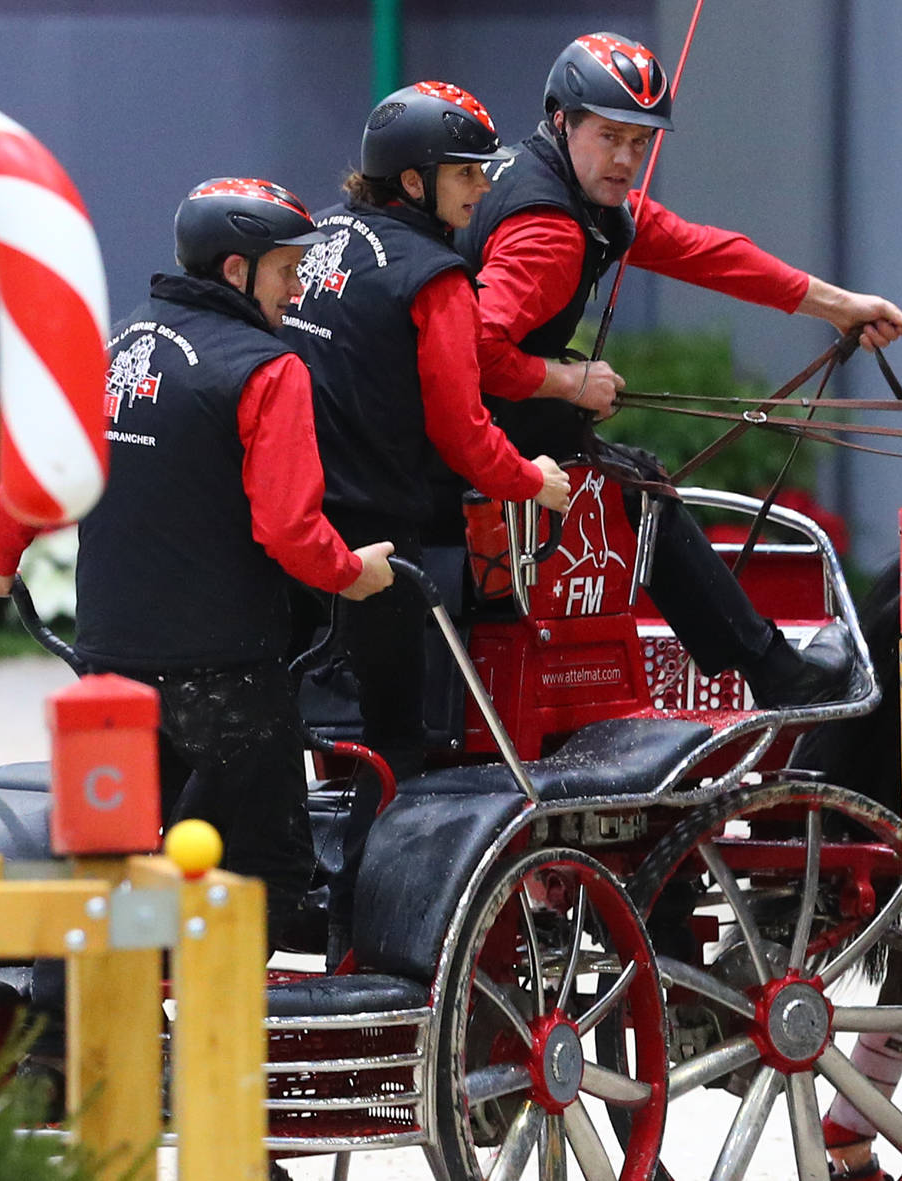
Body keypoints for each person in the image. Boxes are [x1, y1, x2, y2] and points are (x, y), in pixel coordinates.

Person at [0, 178, 397, 935]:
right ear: (237, 270)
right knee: (269, 873)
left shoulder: (109, 346)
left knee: (105, 867)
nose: (298, 290)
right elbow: (290, 531)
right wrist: (352, 573)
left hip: (107, 669)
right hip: (225, 675)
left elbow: (33, 478)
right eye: (288, 270)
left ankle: (68, 1039)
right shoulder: (267, 369)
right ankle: (209, 1037)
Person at [462, 31, 899, 708]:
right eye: (609, 136)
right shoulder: (550, 232)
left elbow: (707, 252)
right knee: (638, 490)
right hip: (465, 441)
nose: (626, 159)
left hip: (470, 424)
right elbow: (472, 351)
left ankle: (768, 666)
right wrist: (564, 381)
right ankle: (775, 672)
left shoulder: (560, 187)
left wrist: (840, 306)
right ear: (562, 121)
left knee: (633, 479)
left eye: (639, 141)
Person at [282, 82, 576, 958]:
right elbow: (462, 433)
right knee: (396, 742)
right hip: (379, 540)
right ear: (413, 184)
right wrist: (535, 481)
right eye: (465, 174)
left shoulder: (316, 240)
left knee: (305, 725)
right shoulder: (437, 279)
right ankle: (378, 929)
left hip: (288, 529)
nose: (482, 188)